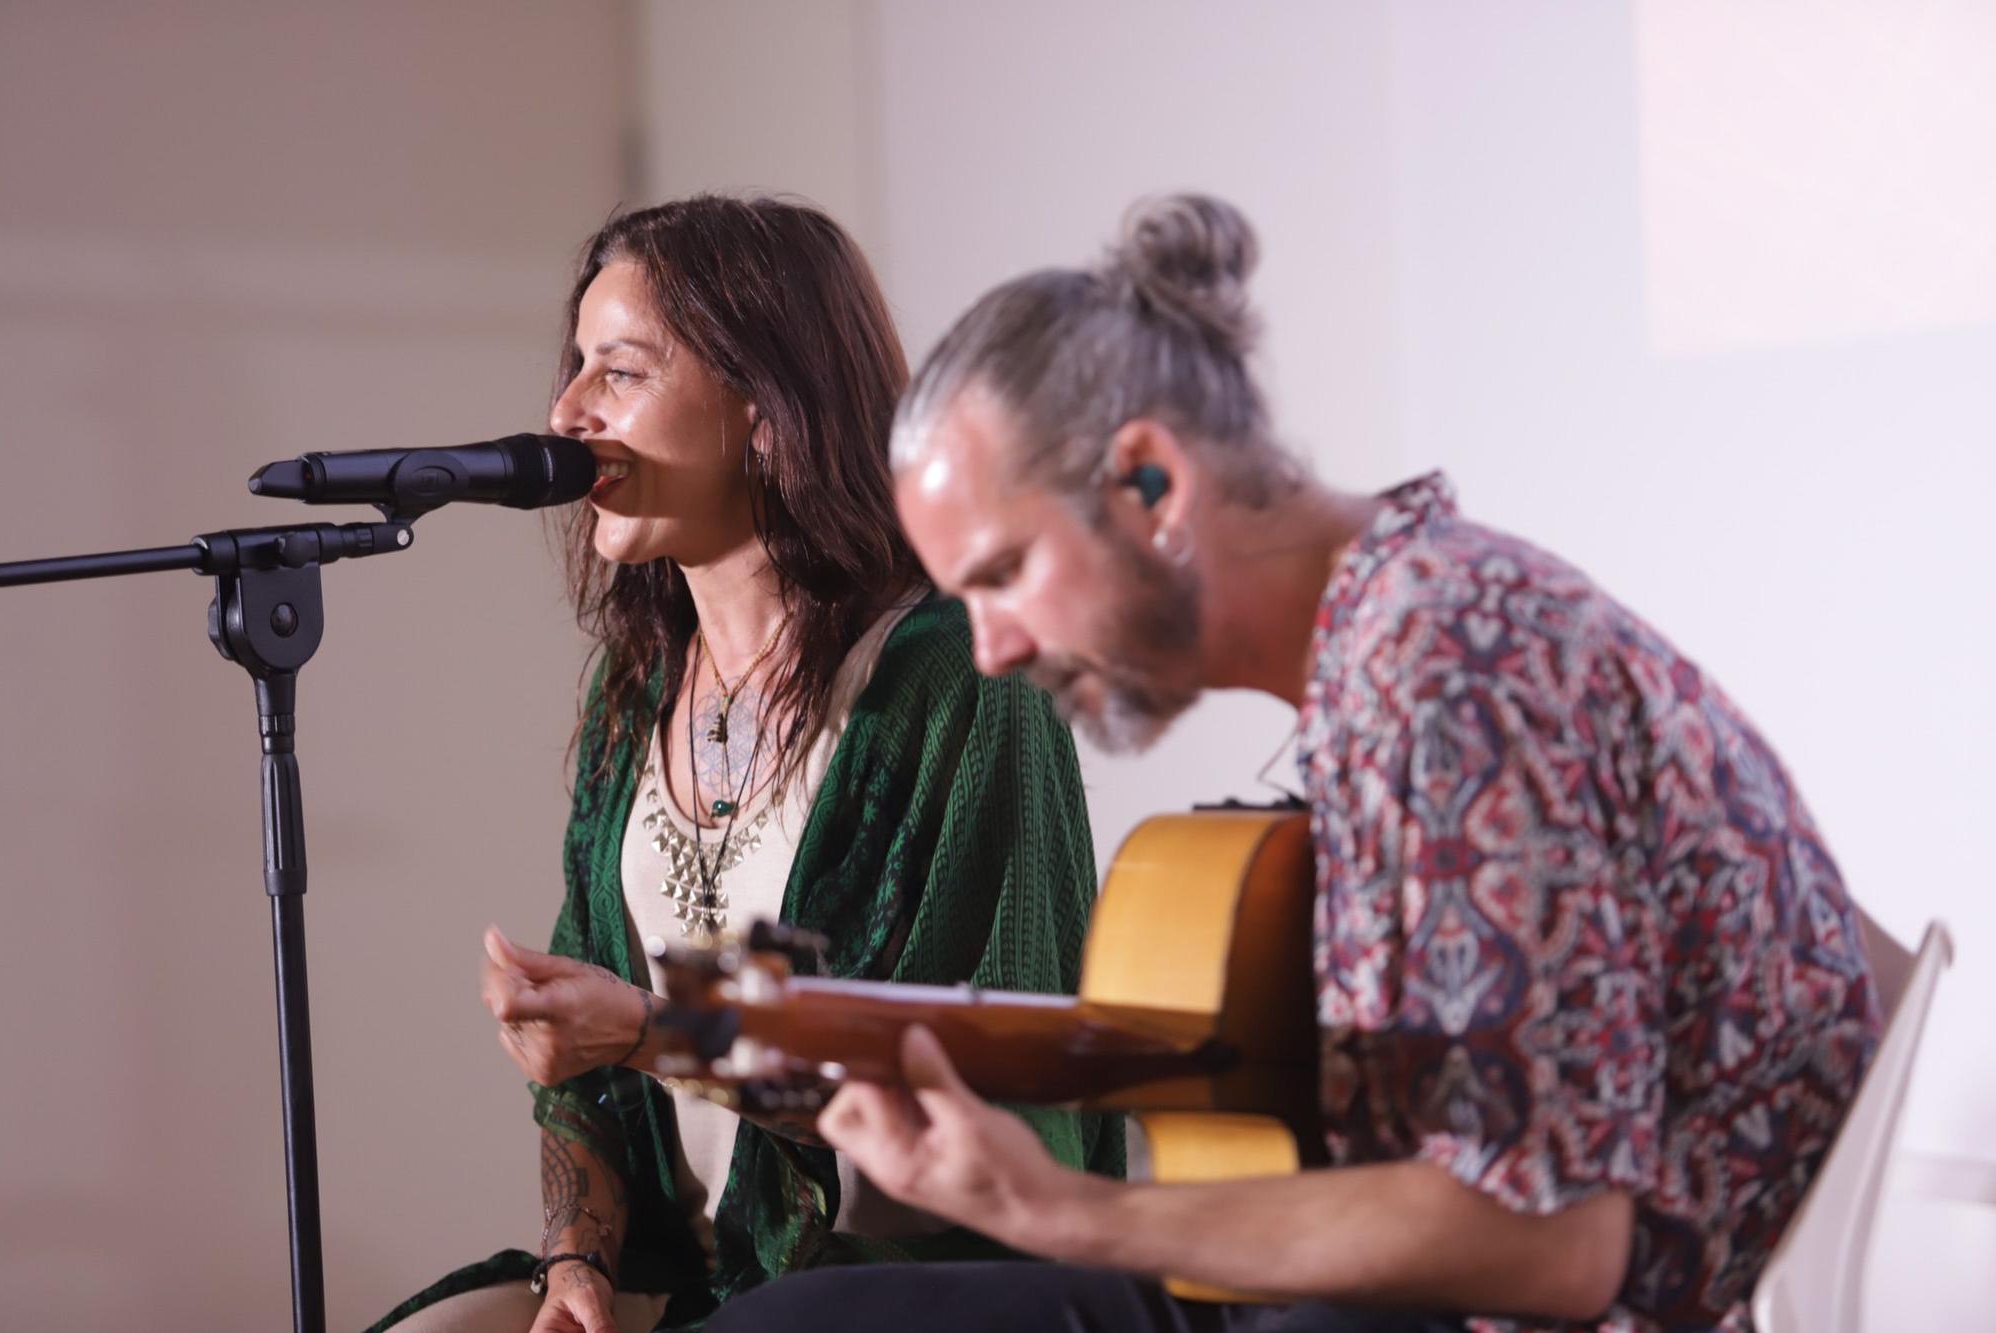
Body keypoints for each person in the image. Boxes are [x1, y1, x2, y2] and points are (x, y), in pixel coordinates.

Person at [705, 194, 1882, 1333]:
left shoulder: (1445, 656)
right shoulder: (1397, 636)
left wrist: (1059, 1207)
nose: (993, 647)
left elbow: (1551, 1246)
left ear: (1150, 481)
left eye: (1003, 572)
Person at [366, 195, 1119, 1333]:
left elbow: (954, 1088)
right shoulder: (634, 691)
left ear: (764, 410)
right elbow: (583, 1078)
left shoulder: (958, 679)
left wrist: (653, 1024)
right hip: (689, 1275)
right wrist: (577, 1261)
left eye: (618, 372)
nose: (566, 412)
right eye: (574, 368)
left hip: (893, 1276)